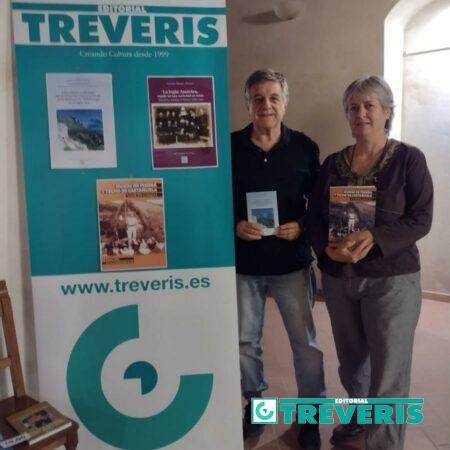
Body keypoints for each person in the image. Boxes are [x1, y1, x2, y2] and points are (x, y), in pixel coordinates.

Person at [307, 75, 433, 450]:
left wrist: (375, 237)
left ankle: (385, 444)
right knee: (352, 362)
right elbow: (315, 217)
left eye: (368, 106)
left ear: (387, 111)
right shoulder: (332, 163)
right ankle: (360, 420)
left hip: (392, 280)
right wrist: (325, 248)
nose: (360, 113)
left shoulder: (409, 159)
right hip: (340, 278)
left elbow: (421, 218)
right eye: (352, 107)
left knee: (389, 369)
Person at [231, 68, 326, 450]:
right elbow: (216, 201)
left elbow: (319, 207)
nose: (265, 105)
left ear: (285, 102)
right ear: (248, 103)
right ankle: (257, 407)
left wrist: (302, 225)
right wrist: (234, 225)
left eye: (273, 97)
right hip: (244, 264)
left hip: (291, 262)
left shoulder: (305, 147)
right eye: (257, 97)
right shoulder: (231, 146)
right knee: (244, 343)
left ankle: (310, 418)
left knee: (305, 343)